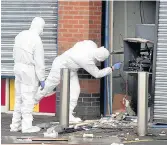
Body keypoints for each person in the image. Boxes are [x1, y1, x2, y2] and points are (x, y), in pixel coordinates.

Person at [34, 40, 121, 123]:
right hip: (60, 65)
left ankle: (68, 115)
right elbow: (97, 74)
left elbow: (78, 45)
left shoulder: (91, 44)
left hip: (71, 68)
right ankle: (30, 104)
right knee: (48, 87)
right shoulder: (86, 60)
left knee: (75, 91)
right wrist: (112, 68)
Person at [10, 17, 46, 133]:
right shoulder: (36, 39)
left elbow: (14, 53)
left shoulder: (20, 35)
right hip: (28, 70)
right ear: (39, 27)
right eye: (42, 28)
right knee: (28, 98)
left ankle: (15, 125)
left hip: (17, 67)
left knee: (19, 98)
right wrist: (42, 78)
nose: (42, 31)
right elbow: (39, 62)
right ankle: (27, 126)